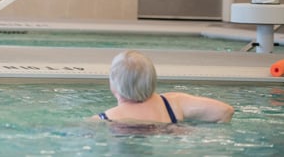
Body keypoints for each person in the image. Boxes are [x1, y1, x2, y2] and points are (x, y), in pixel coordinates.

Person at [93, 50, 234, 124]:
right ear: (152, 79)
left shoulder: (104, 119)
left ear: (113, 83)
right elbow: (225, 111)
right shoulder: (173, 103)